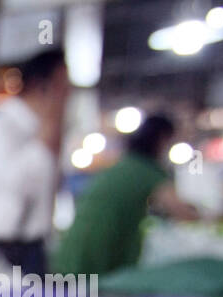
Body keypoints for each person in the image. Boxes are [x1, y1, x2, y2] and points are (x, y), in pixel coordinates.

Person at [52, 113, 200, 277]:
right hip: (99, 254)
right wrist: (210, 215)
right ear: (162, 139)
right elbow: (184, 213)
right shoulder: (147, 171)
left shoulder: (123, 165)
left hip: (75, 250)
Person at [0, 48, 69, 277]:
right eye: (63, 86)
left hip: (35, 242)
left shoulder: (49, 128)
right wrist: (45, 138)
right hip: (4, 242)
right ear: (43, 85)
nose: (68, 94)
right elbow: (16, 182)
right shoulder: (6, 121)